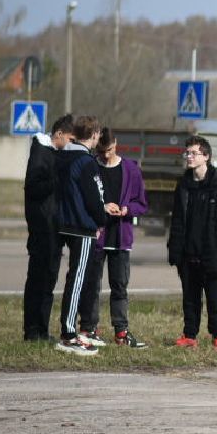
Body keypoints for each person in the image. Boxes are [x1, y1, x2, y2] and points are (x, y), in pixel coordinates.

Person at [79, 129, 151, 348]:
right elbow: (82, 198)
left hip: (120, 238)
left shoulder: (131, 169)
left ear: (116, 144)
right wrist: (102, 207)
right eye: (101, 151)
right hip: (96, 236)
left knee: (119, 286)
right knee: (92, 285)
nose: (105, 155)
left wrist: (127, 209)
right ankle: (88, 328)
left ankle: (121, 332)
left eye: (109, 150)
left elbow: (142, 204)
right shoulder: (91, 166)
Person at [166, 135, 217, 351]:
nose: (189, 156)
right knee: (190, 298)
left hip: (211, 254)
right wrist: (175, 250)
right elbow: (177, 220)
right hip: (188, 253)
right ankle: (189, 335)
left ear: (206, 156)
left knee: (215, 298)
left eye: (193, 153)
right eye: (187, 153)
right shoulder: (183, 186)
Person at [53, 116, 109, 357]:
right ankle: (68, 335)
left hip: (62, 222)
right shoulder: (86, 161)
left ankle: (71, 330)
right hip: (81, 226)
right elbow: (93, 198)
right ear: (94, 134)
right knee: (77, 280)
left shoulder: (61, 156)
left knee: (71, 279)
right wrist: (101, 220)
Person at [22, 113, 73, 342]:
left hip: (55, 228)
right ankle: (32, 330)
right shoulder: (40, 153)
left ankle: (42, 329)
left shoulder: (56, 155)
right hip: (41, 228)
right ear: (59, 134)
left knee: (49, 280)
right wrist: (57, 179)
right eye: (70, 139)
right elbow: (33, 187)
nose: (70, 144)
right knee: (37, 280)